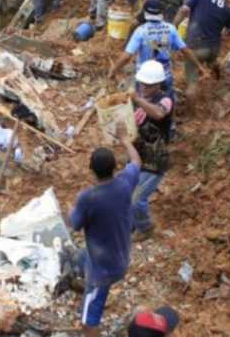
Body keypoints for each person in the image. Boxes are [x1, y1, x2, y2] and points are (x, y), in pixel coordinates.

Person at [69, 123, 141, 337]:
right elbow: (137, 161)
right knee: (78, 257)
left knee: (88, 324)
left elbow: (74, 225)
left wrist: (69, 210)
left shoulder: (88, 198)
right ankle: (84, 286)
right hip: (120, 254)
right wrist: (125, 139)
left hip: (104, 271)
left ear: (91, 170)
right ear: (115, 167)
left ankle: (92, 293)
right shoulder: (124, 182)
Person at [127, 61, 174, 237]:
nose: (144, 87)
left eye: (149, 85)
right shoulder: (140, 98)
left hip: (154, 158)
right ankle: (132, 224)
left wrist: (138, 99)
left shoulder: (165, 99)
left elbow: (159, 113)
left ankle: (145, 228)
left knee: (137, 198)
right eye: (143, 84)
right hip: (136, 154)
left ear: (158, 84)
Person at [108, 0, 188, 92]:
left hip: (145, 79)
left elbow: (126, 57)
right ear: (162, 12)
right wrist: (200, 67)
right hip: (165, 76)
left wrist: (113, 70)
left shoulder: (141, 31)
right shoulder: (171, 29)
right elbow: (185, 50)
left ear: (145, 12)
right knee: (166, 101)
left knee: (144, 102)